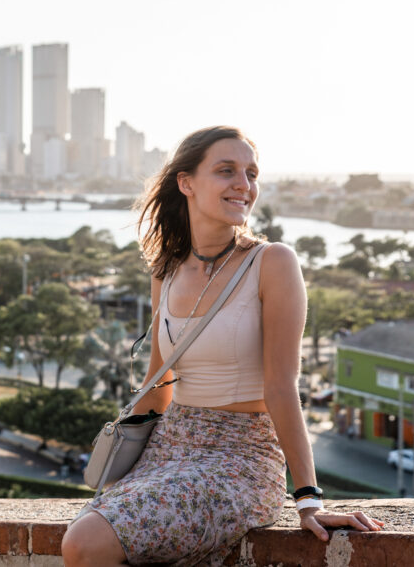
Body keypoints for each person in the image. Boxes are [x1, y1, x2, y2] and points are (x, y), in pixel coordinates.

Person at [62, 127, 384, 566]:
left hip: (242, 456)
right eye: (226, 170)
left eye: (251, 173)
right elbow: (160, 380)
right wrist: (119, 458)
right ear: (186, 182)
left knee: (85, 544)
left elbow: (282, 387)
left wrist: (308, 498)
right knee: (89, 538)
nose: (244, 185)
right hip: (169, 445)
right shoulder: (166, 269)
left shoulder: (271, 263)